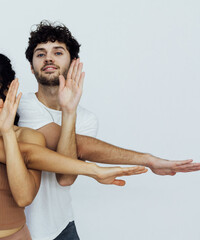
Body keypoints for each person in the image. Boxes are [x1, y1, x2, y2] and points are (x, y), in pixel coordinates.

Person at [18, 20, 200, 240]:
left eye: (58, 52)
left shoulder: (85, 118)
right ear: (31, 66)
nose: (48, 58)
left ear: (73, 62)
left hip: (61, 229)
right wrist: (148, 159)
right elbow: (81, 147)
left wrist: (69, 112)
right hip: (18, 229)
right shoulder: (19, 106)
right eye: (40, 54)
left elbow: (65, 178)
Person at [0, 47, 147, 240]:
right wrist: (93, 170)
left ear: (6, 88)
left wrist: (7, 133)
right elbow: (28, 155)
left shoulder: (31, 137)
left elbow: (23, 198)